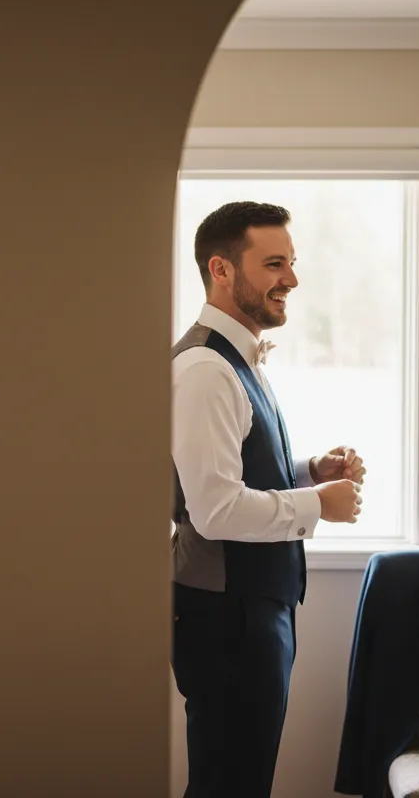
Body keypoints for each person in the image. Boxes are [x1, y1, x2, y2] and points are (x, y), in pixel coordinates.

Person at [171, 201, 365, 798]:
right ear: (221, 270)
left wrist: (306, 471)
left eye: (293, 262)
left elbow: (234, 470)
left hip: (252, 612)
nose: (292, 279)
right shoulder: (205, 367)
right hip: (229, 619)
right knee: (229, 783)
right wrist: (318, 506)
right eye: (274, 263)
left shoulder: (237, 358)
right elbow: (215, 509)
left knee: (242, 779)